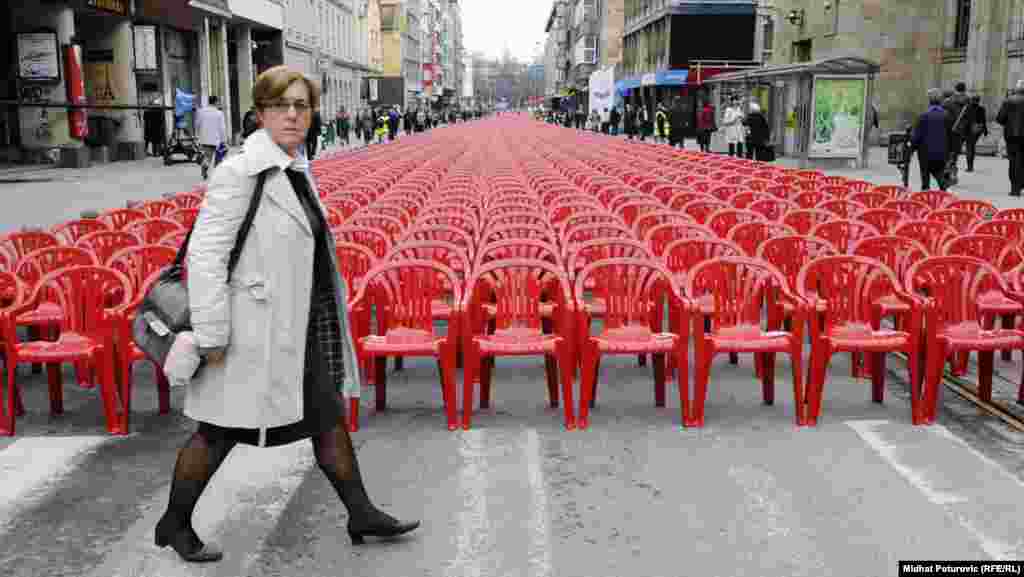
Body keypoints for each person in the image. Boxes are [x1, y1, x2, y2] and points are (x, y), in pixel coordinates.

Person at [155, 65, 419, 564]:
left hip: (297, 327)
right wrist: (211, 333)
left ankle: (359, 510)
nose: (294, 115)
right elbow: (207, 256)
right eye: (282, 106)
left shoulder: (295, 166)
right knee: (216, 433)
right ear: (260, 114)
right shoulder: (239, 172)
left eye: (302, 106)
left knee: (326, 418)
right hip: (249, 331)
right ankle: (175, 522)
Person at [911, 88, 951, 191]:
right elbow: (951, 135)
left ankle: (926, 194)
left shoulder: (923, 116)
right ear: (940, 100)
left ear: (929, 101)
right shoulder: (946, 116)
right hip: (942, 152)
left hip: (925, 153)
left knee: (925, 178)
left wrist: (911, 149)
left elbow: (916, 137)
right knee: (939, 173)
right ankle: (944, 194)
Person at [997, 80, 1024, 196]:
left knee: (1013, 161)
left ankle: (1015, 188)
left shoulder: (1008, 101)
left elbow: (1000, 118)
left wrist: (1009, 123)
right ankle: (1021, 183)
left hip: (1011, 136)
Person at [196, 95, 227, 180]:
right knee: (217, 156)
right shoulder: (219, 113)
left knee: (207, 156)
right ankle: (214, 171)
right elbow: (222, 128)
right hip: (215, 139)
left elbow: (197, 124)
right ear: (216, 102)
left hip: (204, 138)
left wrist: (198, 135)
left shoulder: (201, 111)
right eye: (218, 102)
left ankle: (205, 165)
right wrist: (224, 140)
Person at [964, 95, 988, 172]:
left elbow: (964, 119)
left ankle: (970, 167)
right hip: (978, 130)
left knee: (969, 147)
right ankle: (970, 166)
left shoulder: (967, 108)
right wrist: (985, 131)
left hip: (968, 130)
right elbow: (983, 120)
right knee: (972, 146)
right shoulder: (982, 109)